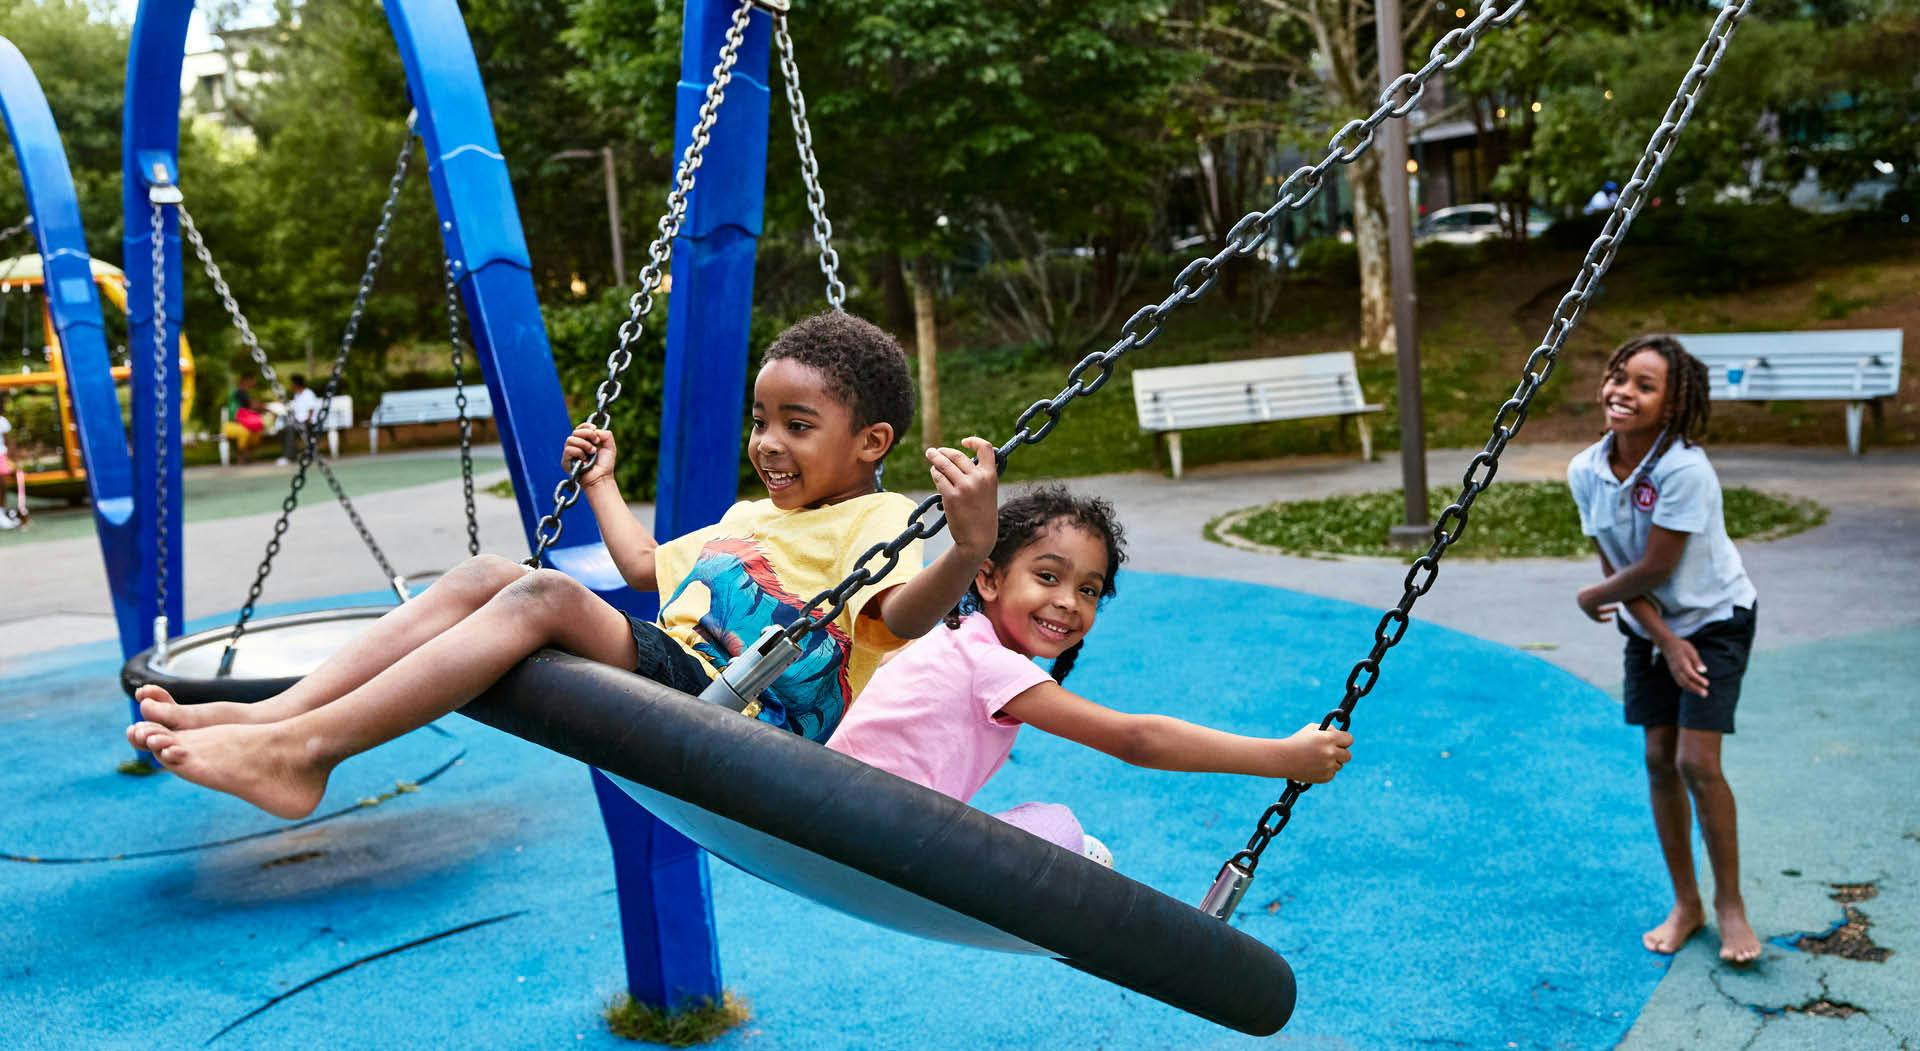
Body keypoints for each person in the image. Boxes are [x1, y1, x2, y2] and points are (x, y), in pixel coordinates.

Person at [127, 312, 1001, 819]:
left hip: (750, 709)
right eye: (760, 418)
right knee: (481, 574)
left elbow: (906, 615)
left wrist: (966, 544)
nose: (768, 442)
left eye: (797, 425)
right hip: (675, 660)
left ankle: (305, 750)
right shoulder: (750, 516)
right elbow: (643, 568)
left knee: (541, 591)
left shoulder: (885, 519)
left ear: (871, 443)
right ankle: (272, 717)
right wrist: (605, 482)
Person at [827, 486, 1355, 868]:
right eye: (1048, 576)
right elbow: (1136, 740)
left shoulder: (948, 638)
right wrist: (1283, 758)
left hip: (827, 810)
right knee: (1059, 827)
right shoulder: (993, 664)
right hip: (891, 839)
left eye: (1088, 590)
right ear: (987, 578)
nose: (1067, 602)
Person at [1566, 333, 1761, 965]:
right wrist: (1664, 640)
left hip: (1715, 618)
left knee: (1697, 763)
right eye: (1619, 376)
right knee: (1657, 757)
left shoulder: (1685, 470)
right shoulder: (1586, 469)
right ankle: (1687, 903)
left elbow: (1651, 566)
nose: (1623, 392)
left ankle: (1730, 906)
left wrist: (1598, 596)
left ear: (1672, 407)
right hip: (1654, 625)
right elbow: (1624, 569)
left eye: (1644, 386)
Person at [277, 373, 321, 465]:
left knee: (290, 429)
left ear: (296, 384)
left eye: (291, 384)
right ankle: (293, 454)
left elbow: (311, 410)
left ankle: (287, 457)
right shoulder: (296, 396)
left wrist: (306, 421)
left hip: (308, 422)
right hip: (298, 422)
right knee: (283, 430)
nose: (290, 386)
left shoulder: (308, 393)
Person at [221, 373, 265, 463]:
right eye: (252, 381)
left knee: (256, 432)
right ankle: (241, 456)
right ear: (246, 381)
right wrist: (264, 407)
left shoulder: (243, 393)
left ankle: (247, 455)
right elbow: (252, 405)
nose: (254, 383)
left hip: (241, 423)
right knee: (244, 432)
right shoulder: (239, 393)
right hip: (232, 424)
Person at [0, 392, 27, 529]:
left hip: (1, 456)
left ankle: (2, 512)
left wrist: (13, 460)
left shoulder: (2, 422)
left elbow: (9, 442)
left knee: (2, 484)